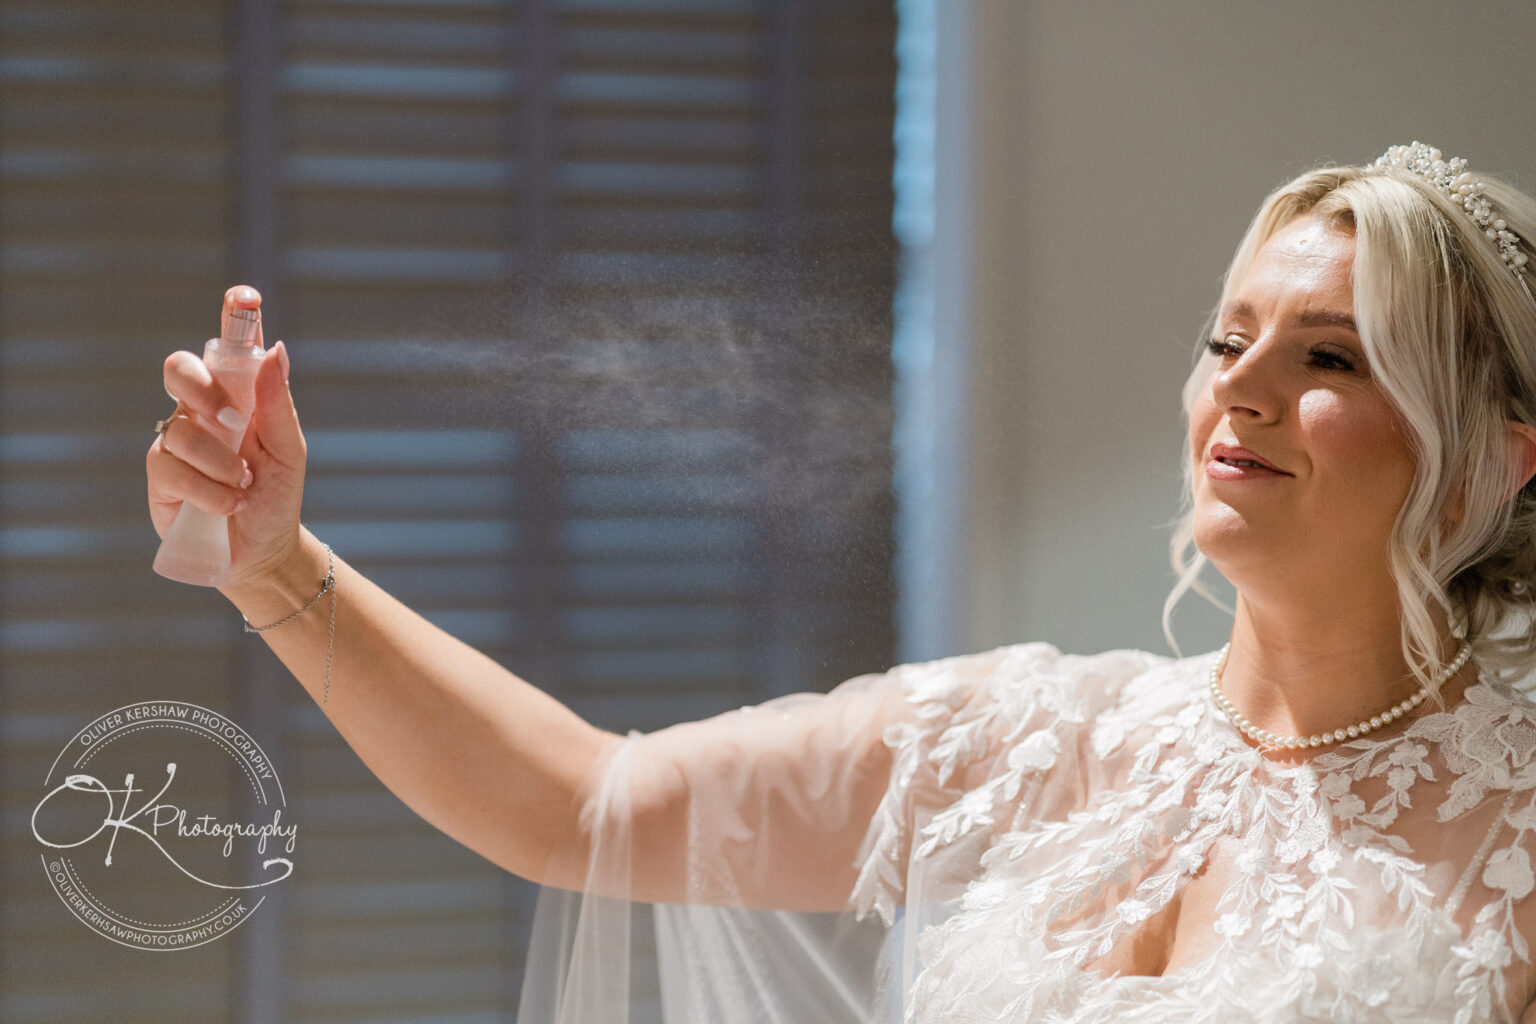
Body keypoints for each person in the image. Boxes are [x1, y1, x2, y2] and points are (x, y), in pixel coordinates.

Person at [147, 141, 1536, 1022]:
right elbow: (582, 805)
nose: (1242, 383)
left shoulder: (1516, 834)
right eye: (1228, 338)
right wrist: (275, 566)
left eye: (1330, 356)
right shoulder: (1036, 740)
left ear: (1488, 459)